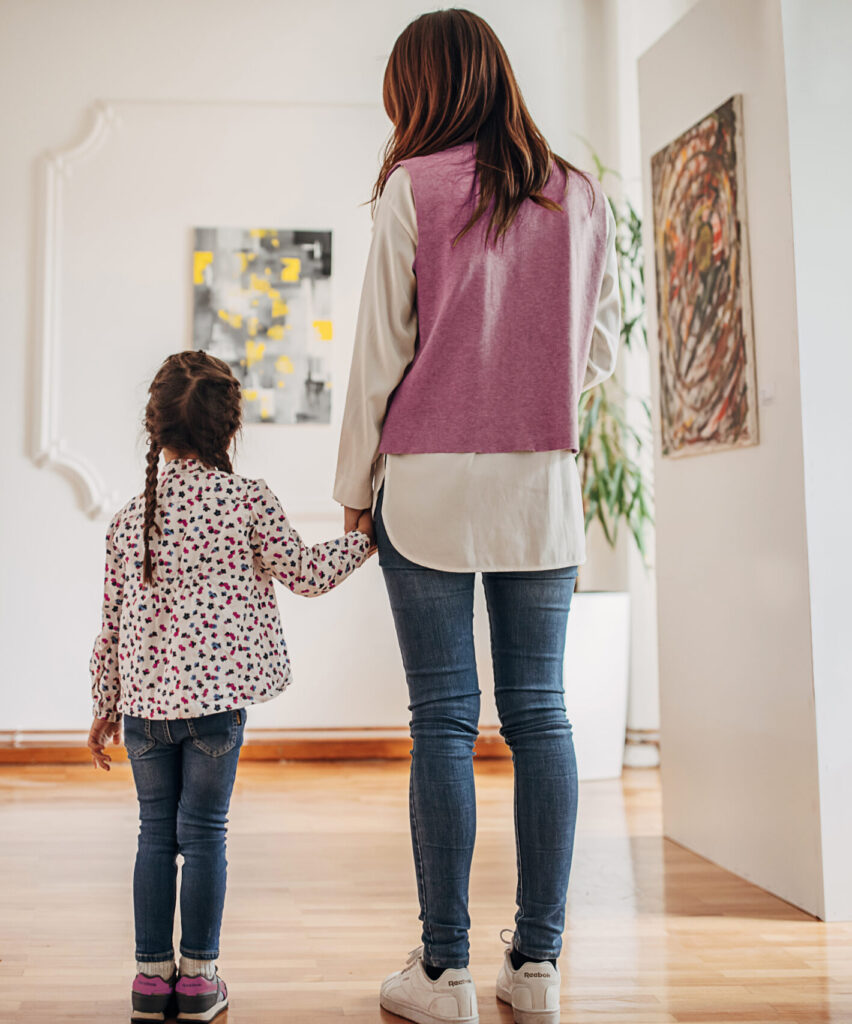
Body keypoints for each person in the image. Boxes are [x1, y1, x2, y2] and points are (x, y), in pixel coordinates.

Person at [334, 9, 620, 1024]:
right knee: (541, 712)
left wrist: (352, 488)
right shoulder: (579, 195)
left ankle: (443, 973)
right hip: (538, 481)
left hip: (427, 482)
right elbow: (596, 354)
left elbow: (380, 353)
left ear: (423, 89)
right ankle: (536, 967)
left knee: (443, 720)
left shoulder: (410, 189)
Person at [87, 350, 374, 1024]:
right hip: (217, 711)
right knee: (206, 834)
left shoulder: (130, 520)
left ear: (155, 430)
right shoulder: (248, 500)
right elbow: (303, 572)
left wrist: (103, 706)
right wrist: (362, 541)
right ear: (229, 431)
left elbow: (109, 624)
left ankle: (150, 982)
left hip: (146, 715)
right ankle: (198, 983)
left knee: (155, 835)